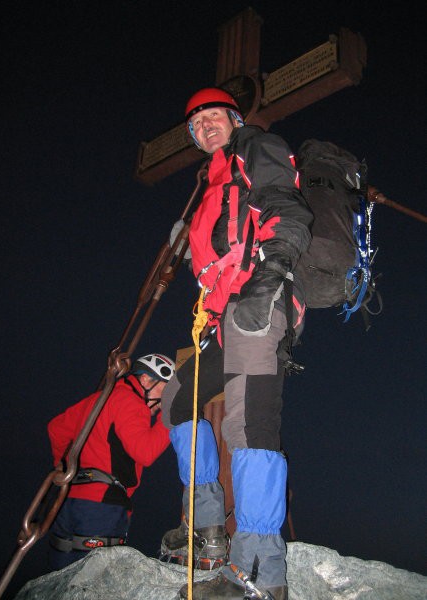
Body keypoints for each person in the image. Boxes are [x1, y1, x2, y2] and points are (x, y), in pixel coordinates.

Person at [159, 88, 313, 600]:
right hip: (226, 318)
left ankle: (258, 569)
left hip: (260, 303)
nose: (204, 127)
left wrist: (270, 276)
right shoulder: (211, 182)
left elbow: (285, 208)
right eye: (196, 124)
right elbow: (221, 249)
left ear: (234, 118)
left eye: (212, 117)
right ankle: (206, 530)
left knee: (249, 421)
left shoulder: (257, 149)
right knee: (178, 398)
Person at [47, 353, 175, 570]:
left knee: (63, 582)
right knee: (96, 586)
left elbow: (57, 428)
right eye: (166, 391)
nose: (163, 403)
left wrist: (64, 466)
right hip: (101, 508)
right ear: (146, 380)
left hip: (68, 503)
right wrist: (172, 415)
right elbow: (145, 452)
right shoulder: (131, 401)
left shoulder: (99, 398)